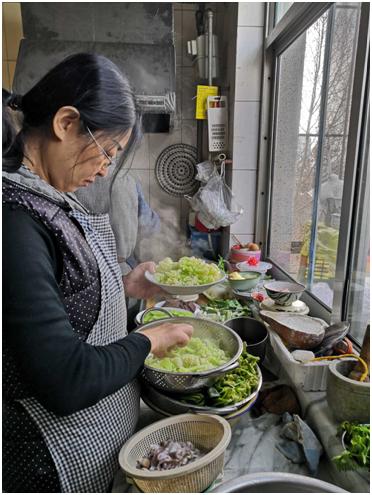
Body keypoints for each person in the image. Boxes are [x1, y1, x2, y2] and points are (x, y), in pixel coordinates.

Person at [2, 53, 193, 493]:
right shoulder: (13, 220)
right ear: (66, 123)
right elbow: (65, 381)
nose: (106, 168)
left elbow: (61, 305)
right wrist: (150, 340)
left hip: (102, 446)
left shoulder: (46, 199)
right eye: (106, 151)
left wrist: (128, 287)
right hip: (52, 462)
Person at [75, 170, 161, 330]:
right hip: (121, 270)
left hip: (80, 275)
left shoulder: (66, 177)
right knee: (123, 334)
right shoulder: (127, 176)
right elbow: (150, 226)